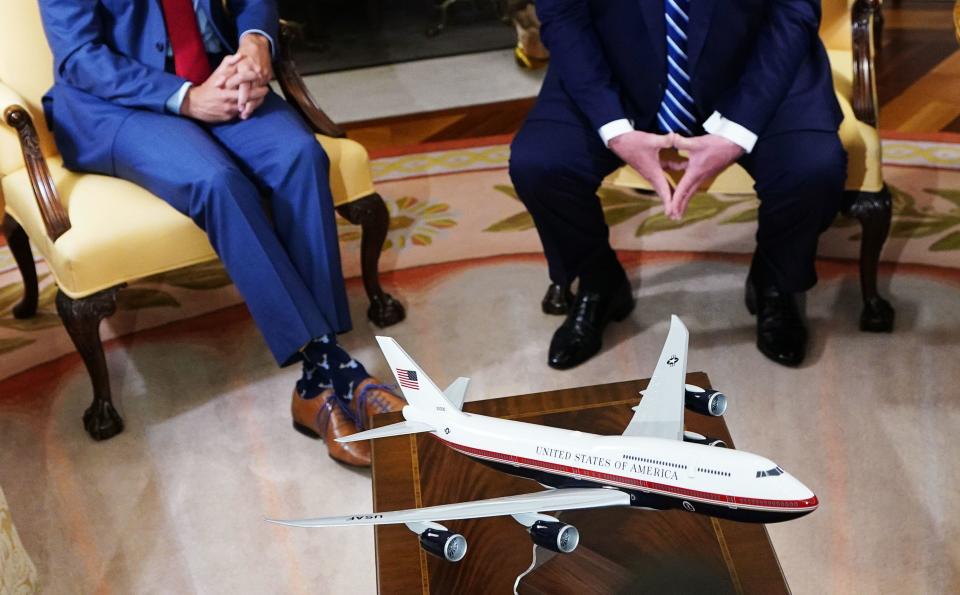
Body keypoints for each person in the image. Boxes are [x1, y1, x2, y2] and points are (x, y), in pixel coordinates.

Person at [38, 0, 403, 466]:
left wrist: (255, 42)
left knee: (300, 157)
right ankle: (338, 373)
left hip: (219, 74)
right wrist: (188, 98)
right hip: (116, 104)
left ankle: (316, 387)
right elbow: (78, 56)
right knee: (217, 181)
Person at [509, 0, 846, 369]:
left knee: (813, 166)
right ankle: (598, 281)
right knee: (539, 164)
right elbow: (562, 13)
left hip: (755, 61)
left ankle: (776, 280)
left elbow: (792, 10)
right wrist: (616, 130)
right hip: (611, 65)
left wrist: (737, 131)